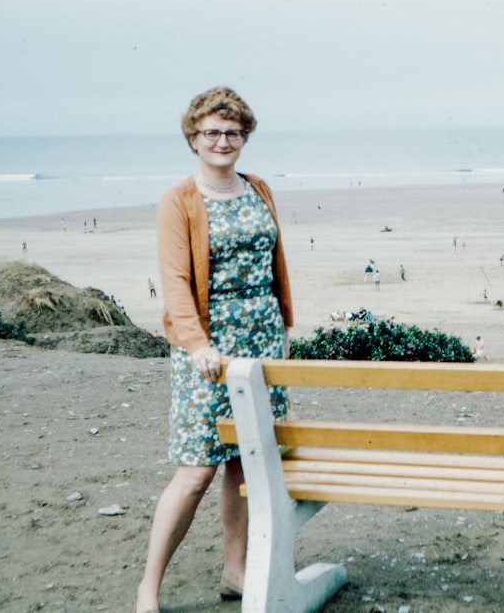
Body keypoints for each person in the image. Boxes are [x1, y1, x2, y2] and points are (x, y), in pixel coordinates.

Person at [135, 87, 293, 613]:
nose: (222, 141)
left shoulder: (260, 189)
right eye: (212, 132)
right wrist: (199, 345)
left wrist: (284, 327)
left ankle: (235, 570)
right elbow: (176, 281)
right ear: (193, 138)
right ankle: (148, 587)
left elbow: (274, 267)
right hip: (207, 350)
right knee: (197, 469)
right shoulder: (178, 200)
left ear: (245, 137)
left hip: (262, 342)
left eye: (232, 132)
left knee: (246, 463)